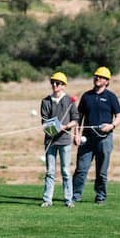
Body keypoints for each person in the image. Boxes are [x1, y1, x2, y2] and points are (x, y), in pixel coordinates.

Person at [73, 66, 120, 205]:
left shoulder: (111, 97)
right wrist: (76, 134)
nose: (97, 78)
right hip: (87, 139)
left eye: (101, 77)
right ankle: (75, 196)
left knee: (101, 171)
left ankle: (100, 196)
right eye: (96, 76)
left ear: (107, 81)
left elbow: (119, 116)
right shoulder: (86, 96)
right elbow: (78, 118)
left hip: (104, 139)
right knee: (81, 169)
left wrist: (111, 126)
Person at [40, 71, 80, 208]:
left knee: (66, 171)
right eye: (53, 82)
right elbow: (44, 122)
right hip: (50, 141)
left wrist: (66, 126)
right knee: (50, 172)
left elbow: (75, 119)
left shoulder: (69, 101)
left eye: (57, 83)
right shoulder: (45, 101)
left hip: (65, 141)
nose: (54, 85)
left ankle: (68, 199)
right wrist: (54, 128)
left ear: (63, 85)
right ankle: (47, 199)